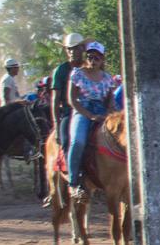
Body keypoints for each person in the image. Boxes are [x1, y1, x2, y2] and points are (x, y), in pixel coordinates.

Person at [66, 42, 116, 204]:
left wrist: (108, 114)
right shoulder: (77, 74)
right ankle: (73, 182)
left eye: (96, 57)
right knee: (78, 141)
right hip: (82, 110)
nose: (93, 60)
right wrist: (89, 115)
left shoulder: (108, 79)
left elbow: (110, 101)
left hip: (102, 111)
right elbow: (72, 100)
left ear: (102, 59)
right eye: (90, 57)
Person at [50, 33, 87, 154]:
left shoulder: (90, 66)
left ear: (82, 48)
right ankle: (72, 172)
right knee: (66, 141)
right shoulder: (60, 70)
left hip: (92, 110)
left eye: (75, 47)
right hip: (69, 112)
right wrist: (56, 124)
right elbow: (55, 101)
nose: (72, 51)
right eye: (69, 48)